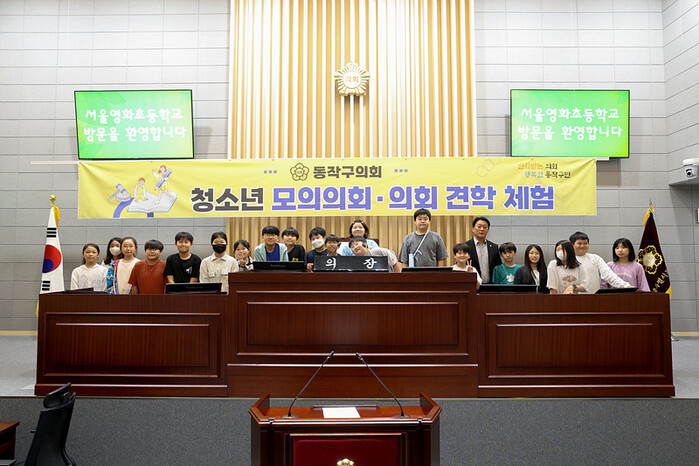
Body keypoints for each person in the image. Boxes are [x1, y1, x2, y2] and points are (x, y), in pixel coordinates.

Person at [465, 216, 501, 283]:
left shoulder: (494, 247)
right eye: (479, 226)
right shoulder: (466, 246)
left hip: (491, 285)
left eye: (485, 227)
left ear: (488, 229)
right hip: (472, 284)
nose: (482, 229)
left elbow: (498, 267)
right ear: (473, 229)